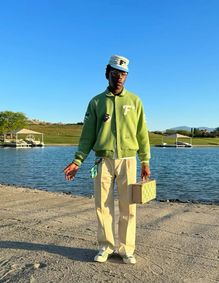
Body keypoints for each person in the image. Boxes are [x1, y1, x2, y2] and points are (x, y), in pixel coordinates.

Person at [64, 55, 151, 264]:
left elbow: (142, 133)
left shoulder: (135, 101)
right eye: (115, 73)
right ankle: (105, 246)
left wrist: (145, 161)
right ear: (107, 74)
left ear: (126, 77)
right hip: (102, 160)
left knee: (128, 207)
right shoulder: (96, 102)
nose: (119, 77)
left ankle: (126, 249)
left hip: (128, 160)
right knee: (102, 205)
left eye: (123, 74)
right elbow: (88, 135)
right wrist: (78, 160)